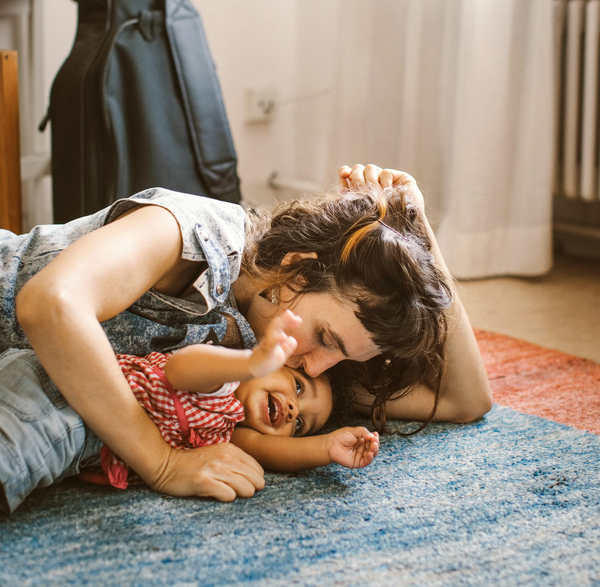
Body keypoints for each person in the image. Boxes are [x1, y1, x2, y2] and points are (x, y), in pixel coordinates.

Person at [0, 164, 492, 506]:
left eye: (340, 359)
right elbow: (50, 305)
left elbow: (465, 401)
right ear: (296, 271)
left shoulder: (288, 375)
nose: (319, 366)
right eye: (325, 338)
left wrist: (418, 233)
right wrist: (162, 463)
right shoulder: (199, 233)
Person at [97, 310, 379, 490]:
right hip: (82, 401)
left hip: (85, 450)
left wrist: (328, 447)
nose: (294, 410)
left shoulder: (227, 436)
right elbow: (179, 370)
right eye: (298, 387)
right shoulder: (225, 379)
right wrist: (251, 363)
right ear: (277, 362)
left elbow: (273, 451)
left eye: (301, 425)